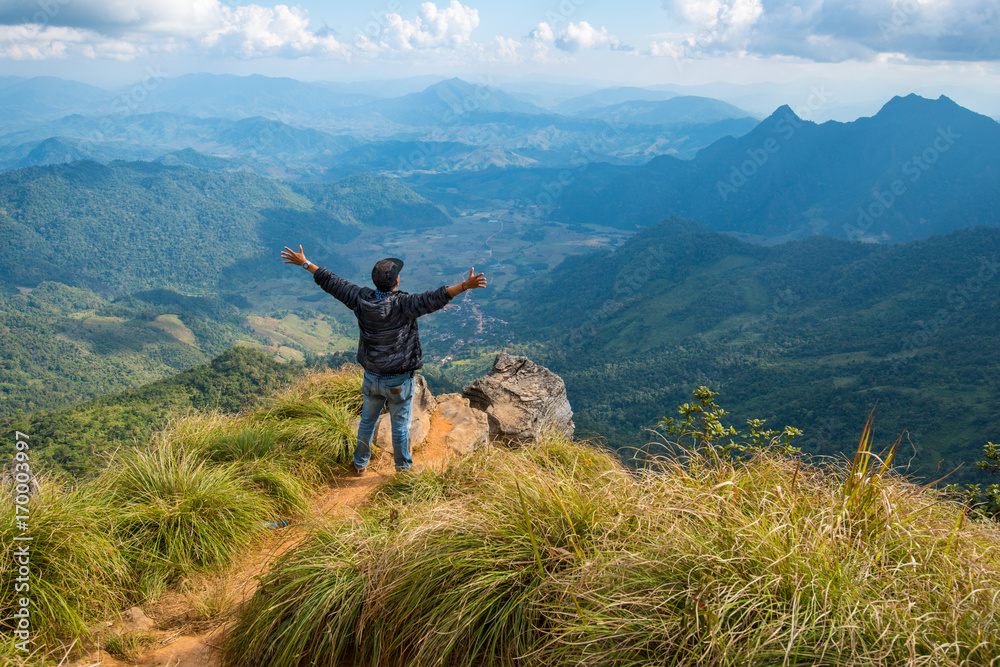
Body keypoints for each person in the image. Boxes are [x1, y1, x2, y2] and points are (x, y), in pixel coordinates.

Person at [280, 245, 487, 475]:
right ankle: (403, 469)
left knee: (366, 423)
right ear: (396, 282)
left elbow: (332, 282)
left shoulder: (360, 299)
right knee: (400, 428)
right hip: (398, 382)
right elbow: (435, 298)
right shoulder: (403, 304)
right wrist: (465, 286)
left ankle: (359, 464)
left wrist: (305, 263)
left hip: (371, 378)